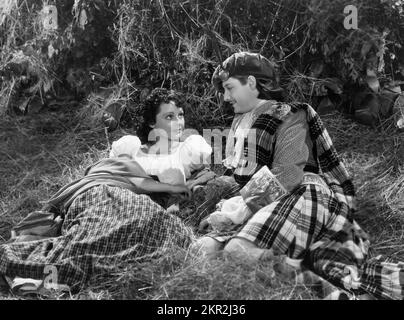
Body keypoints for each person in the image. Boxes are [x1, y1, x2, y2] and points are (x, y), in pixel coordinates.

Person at [194, 51, 404, 300]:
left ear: (251, 83)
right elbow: (238, 176)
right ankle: (306, 270)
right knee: (202, 250)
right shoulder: (240, 124)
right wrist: (213, 192)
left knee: (237, 252)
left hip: (302, 195)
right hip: (263, 203)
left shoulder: (290, 114)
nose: (226, 97)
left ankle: (332, 295)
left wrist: (232, 211)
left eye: (229, 88)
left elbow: (287, 174)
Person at [0, 88, 212, 294]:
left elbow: (196, 177)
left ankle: (53, 274)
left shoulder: (186, 151)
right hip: (104, 192)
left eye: (180, 115)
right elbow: (106, 171)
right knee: (93, 236)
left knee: (153, 230)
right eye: (169, 117)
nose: (179, 122)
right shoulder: (131, 146)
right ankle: (47, 270)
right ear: (151, 122)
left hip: (142, 206)